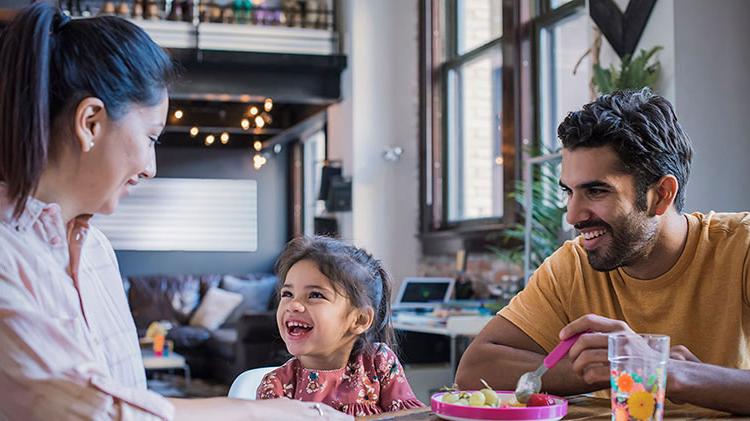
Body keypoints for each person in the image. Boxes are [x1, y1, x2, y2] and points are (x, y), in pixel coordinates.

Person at [0, 4, 349, 420]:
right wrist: (270, 413)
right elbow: (98, 413)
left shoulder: (95, 249)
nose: (150, 167)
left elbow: (129, 398)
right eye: (150, 137)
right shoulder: (8, 255)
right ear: (90, 122)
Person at [456, 89, 750, 414]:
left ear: (661, 195)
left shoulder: (741, 248)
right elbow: (475, 369)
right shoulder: (571, 265)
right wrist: (613, 367)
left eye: (596, 191)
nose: (572, 214)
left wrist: (673, 374)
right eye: (569, 192)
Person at [256, 236, 425, 416]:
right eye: (288, 293)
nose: (293, 305)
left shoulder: (378, 363)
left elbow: (411, 418)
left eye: (315, 295)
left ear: (359, 320)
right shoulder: (276, 387)